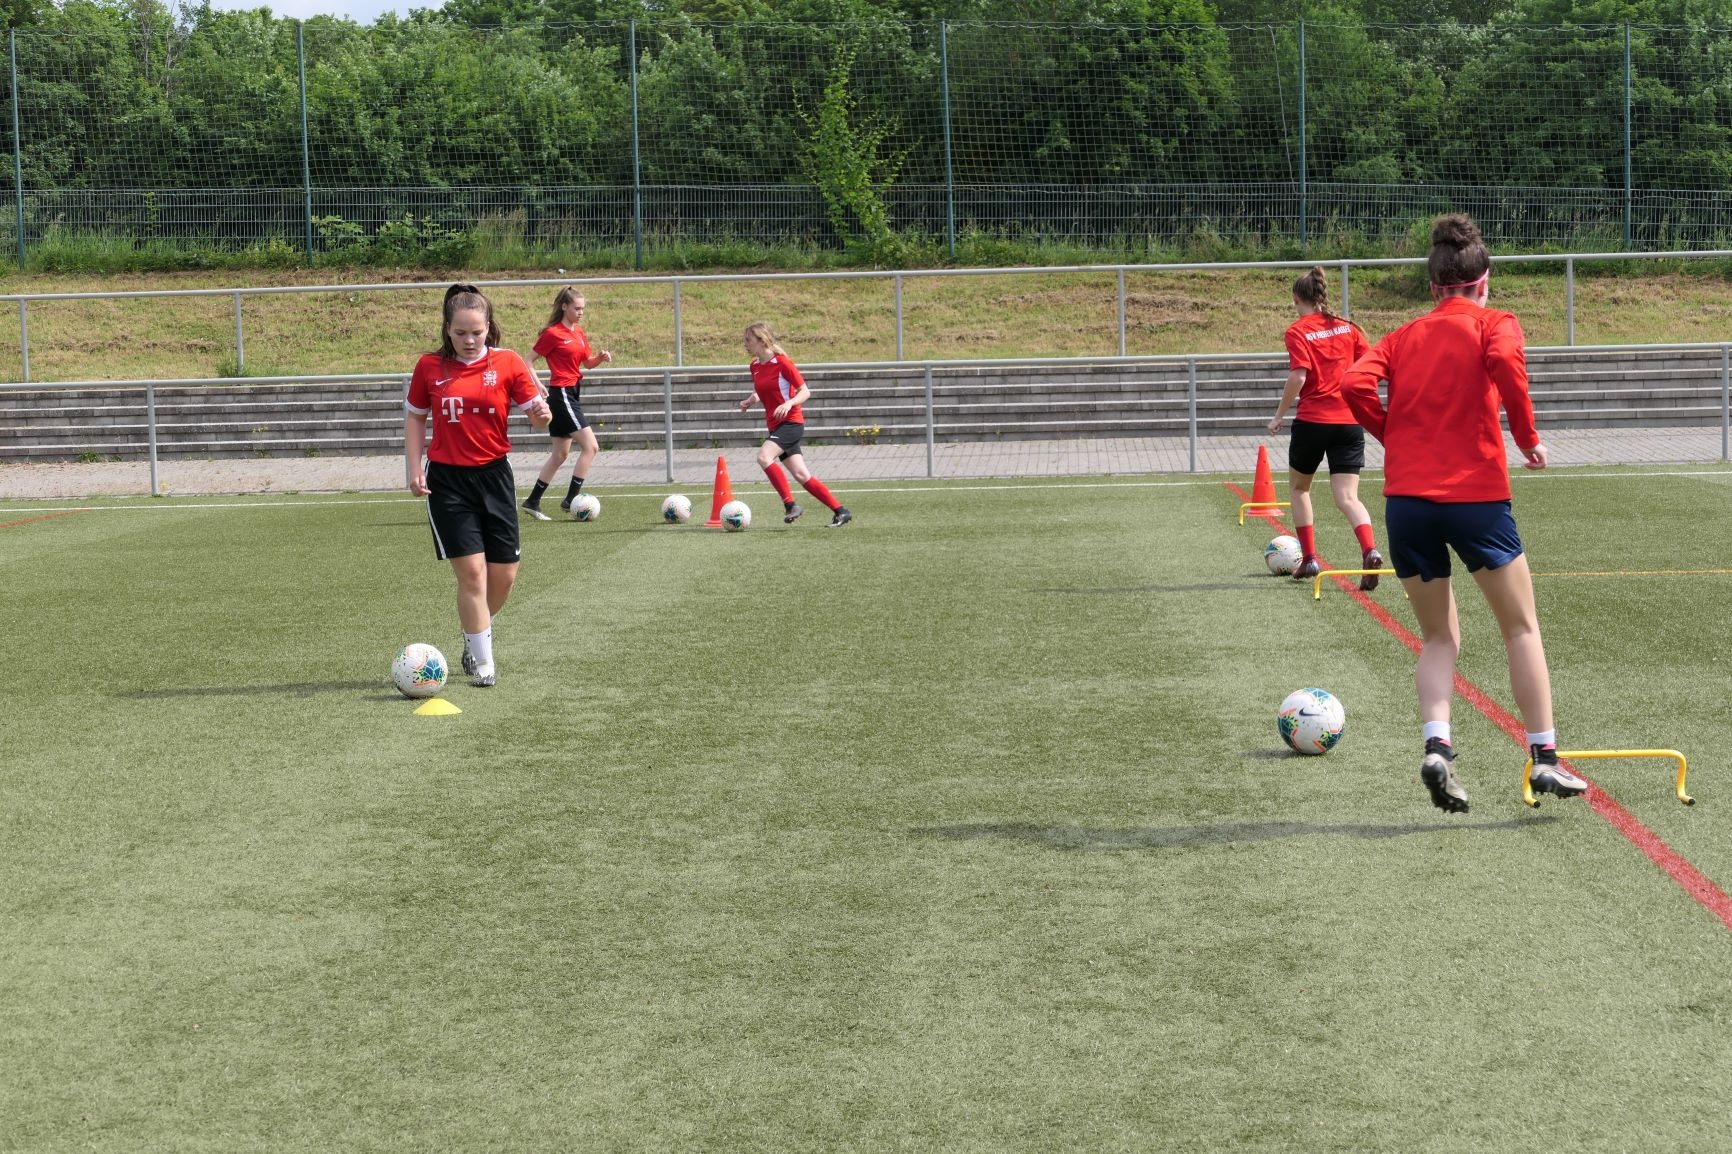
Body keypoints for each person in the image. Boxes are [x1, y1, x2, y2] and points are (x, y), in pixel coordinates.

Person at [1339, 214, 1587, 813]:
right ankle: (1545, 757)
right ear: (1485, 281)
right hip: (1476, 500)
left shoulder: (1402, 336)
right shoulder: (1495, 322)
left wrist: (1392, 436)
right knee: (1520, 628)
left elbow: (1352, 385)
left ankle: (1437, 747)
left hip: (1408, 505)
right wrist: (1527, 438)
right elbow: (1506, 366)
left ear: (1434, 288)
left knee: (1437, 637)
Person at [404, 284, 552, 687]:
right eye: (460, 333)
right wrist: (414, 468)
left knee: (504, 575)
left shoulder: (508, 363)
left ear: (489, 327)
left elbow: (537, 417)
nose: (469, 340)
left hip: (495, 477)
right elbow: (416, 417)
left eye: (476, 332)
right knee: (472, 575)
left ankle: (475, 633)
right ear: (447, 329)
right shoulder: (429, 367)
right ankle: (484, 663)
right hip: (447, 481)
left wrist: (542, 414)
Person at [1267, 266, 1385, 590]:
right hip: (1349, 422)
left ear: (1296, 298)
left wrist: (1278, 415)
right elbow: (1370, 368)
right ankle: (1370, 550)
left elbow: (1298, 376)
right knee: (1348, 497)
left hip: (1313, 421)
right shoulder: (1348, 328)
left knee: (1299, 489)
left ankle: (1309, 559)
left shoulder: (1297, 331)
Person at [737, 321, 852, 527]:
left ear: (762, 340)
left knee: (764, 457)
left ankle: (790, 505)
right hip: (775, 426)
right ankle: (841, 511)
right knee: (801, 474)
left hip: (791, 423)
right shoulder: (754, 366)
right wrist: (751, 400)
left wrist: (789, 403)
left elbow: (805, 391)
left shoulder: (783, 363)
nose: (745, 343)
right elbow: (763, 390)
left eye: (749, 339)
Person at [521, 285, 612, 521]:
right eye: (577, 308)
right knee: (591, 447)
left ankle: (532, 501)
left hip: (571, 392)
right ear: (564, 307)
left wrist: (600, 358)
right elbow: (527, 360)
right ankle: (571, 499)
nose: (581, 312)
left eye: (583, 309)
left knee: (560, 454)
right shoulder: (553, 334)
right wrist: (538, 384)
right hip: (561, 394)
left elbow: (587, 364)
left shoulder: (579, 332)